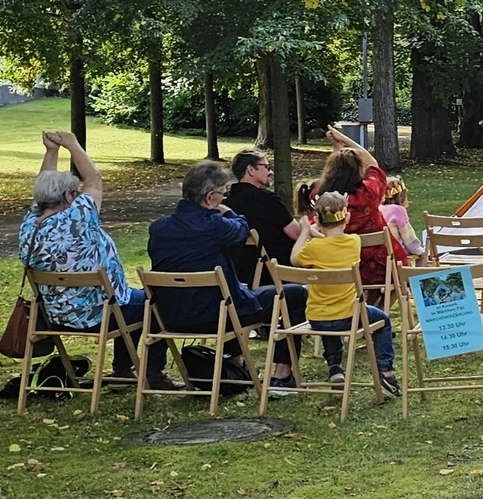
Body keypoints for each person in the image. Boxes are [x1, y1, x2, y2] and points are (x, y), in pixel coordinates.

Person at [18, 132, 175, 389]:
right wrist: (72, 144)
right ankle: (151, 375)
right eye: (75, 193)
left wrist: (51, 152)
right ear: (69, 197)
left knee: (133, 299)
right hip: (97, 316)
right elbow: (94, 180)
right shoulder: (78, 219)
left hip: (55, 315)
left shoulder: (31, 226)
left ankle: (123, 372)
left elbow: (43, 189)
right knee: (153, 303)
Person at [147, 160, 307, 394]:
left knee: (230, 292)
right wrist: (228, 212)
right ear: (210, 196)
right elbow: (242, 228)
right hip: (218, 315)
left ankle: (235, 363)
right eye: (222, 194)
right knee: (293, 293)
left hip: (171, 316)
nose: (224, 198)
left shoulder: (158, 229)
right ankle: (282, 374)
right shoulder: (215, 225)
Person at [290, 191, 401, 396]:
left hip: (317, 318)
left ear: (318, 219)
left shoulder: (313, 248)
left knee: (328, 316)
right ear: (346, 217)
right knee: (383, 320)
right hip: (348, 316)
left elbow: (295, 258)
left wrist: (306, 231)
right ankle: (386, 373)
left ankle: (334, 367)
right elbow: (333, 241)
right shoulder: (354, 242)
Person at [300, 126, 404, 301]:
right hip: (378, 266)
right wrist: (344, 139)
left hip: (337, 264)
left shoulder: (319, 197)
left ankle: (363, 315)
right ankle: (374, 314)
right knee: (401, 279)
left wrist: (337, 151)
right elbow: (372, 163)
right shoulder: (367, 193)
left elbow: (334, 172)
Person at [223, 149, 302, 286]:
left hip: (239, 275)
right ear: (251, 170)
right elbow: (297, 234)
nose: (270, 172)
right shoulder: (268, 200)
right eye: (266, 167)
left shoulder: (225, 204)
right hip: (278, 274)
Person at [380, 176, 422, 261]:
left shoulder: (378, 209)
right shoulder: (398, 211)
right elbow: (410, 241)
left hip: (381, 254)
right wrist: (421, 251)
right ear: (402, 196)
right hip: (397, 254)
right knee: (422, 255)